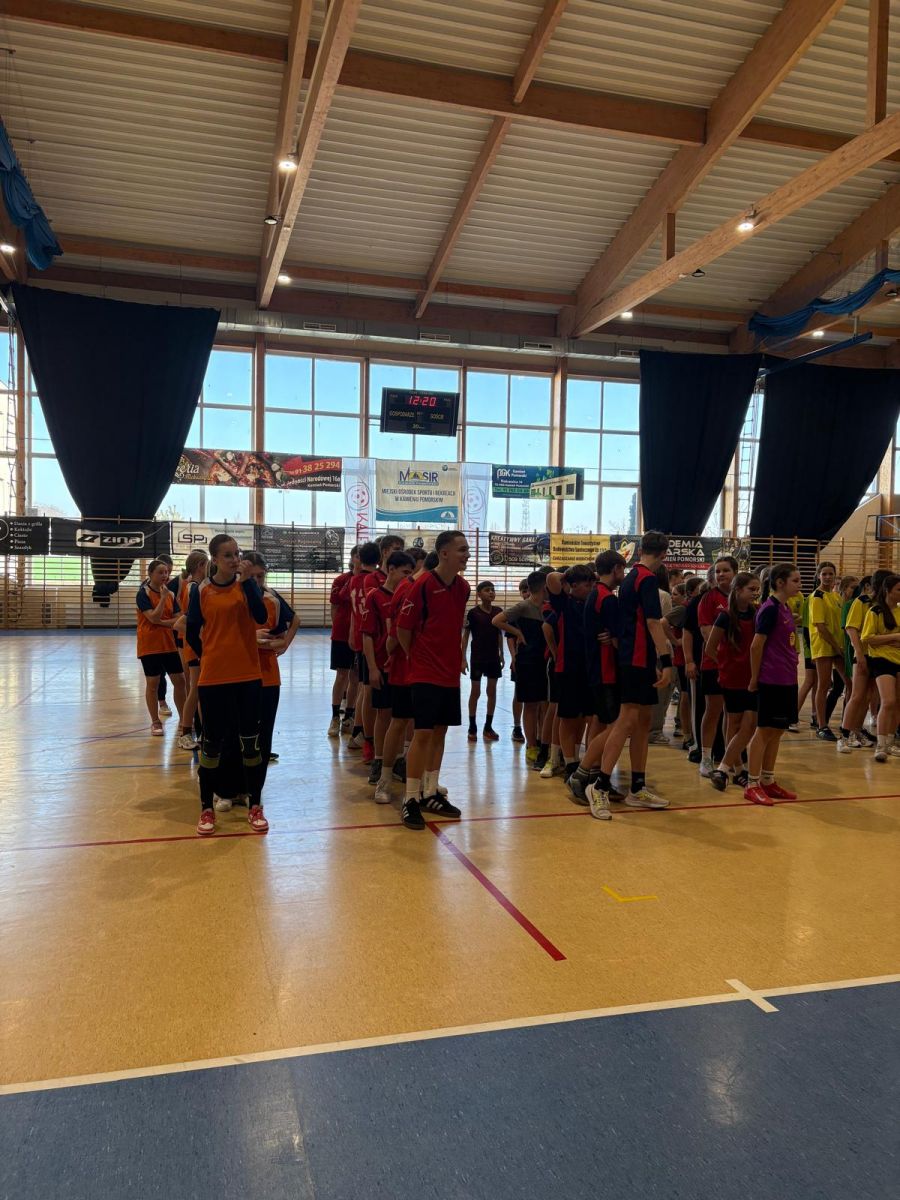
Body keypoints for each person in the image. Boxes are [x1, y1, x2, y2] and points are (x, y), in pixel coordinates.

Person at [585, 531, 673, 819]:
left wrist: (650, 662)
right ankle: (599, 786)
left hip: (638, 659)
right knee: (626, 722)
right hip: (634, 659)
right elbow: (653, 623)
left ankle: (637, 787)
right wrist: (667, 661)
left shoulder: (632, 576)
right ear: (664, 554)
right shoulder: (646, 578)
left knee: (643, 722)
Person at [186, 534, 269, 836]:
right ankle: (206, 808)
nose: (235, 560)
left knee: (251, 744)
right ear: (215, 559)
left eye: (237, 554)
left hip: (248, 676)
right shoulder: (202, 590)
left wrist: (247, 583)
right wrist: (211, 654)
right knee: (211, 745)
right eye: (228, 555)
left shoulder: (248, 586)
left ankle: (255, 805)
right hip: (214, 678)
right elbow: (192, 631)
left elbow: (261, 616)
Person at [396, 531, 470, 830]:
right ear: (444, 553)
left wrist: (458, 656)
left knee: (440, 732)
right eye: (461, 549)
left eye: (467, 549)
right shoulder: (423, 584)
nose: (467, 554)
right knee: (423, 733)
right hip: (425, 672)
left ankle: (430, 791)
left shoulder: (463, 587)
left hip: (449, 672)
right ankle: (411, 798)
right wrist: (416, 657)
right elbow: (403, 628)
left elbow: (453, 627)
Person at [565, 549, 627, 806]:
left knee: (601, 724)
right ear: (616, 569)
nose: (624, 574)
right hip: (606, 671)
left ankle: (594, 776)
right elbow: (617, 639)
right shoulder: (607, 598)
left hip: (595, 670)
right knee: (615, 727)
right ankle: (581, 775)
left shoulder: (594, 595)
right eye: (623, 569)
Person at [373, 552, 431, 805]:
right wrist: (392, 656)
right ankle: (384, 779)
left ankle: (422, 780)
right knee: (398, 722)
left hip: (426, 670)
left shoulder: (436, 588)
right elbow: (395, 634)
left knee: (424, 728)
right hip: (403, 669)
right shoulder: (407, 589)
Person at [241, 550, 300, 789]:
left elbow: (294, 621)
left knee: (264, 732)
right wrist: (250, 638)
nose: (257, 581)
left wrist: (284, 643)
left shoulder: (271, 597)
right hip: (238, 673)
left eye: (261, 576)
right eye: (252, 576)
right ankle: (235, 785)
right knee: (240, 732)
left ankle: (256, 788)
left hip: (267, 675)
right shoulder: (233, 596)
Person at [744, 562, 801, 806]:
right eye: (795, 580)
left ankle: (767, 780)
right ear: (780, 582)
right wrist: (754, 678)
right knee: (764, 730)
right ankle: (752, 784)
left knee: (777, 730)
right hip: (771, 679)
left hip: (788, 678)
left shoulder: (785, 608)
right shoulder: (769, 609)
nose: (800, 584)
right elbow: (756, 646)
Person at [361, 550, 416, 788]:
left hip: (404, 667)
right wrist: (372, 668)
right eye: (405, 572)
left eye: (411, 573)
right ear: (390, 569)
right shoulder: (375, 596)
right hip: (382, 664)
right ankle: (379, 759)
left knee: (403, 716)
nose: (407, 577)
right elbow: (367, 635)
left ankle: (400, 760)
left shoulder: (410, 595)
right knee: (384, 714)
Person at [703, 572, 761, 791]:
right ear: (738, 590)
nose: (755, 593)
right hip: (732, 679)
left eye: (757, 589)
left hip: (752, 677)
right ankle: (737, 770)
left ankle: (727, 768)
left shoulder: (756, 613)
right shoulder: (725, 616)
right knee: (733, 723)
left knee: (749, 724)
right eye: (751, 589)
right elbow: (710, 648)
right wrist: (725, 665)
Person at [544, 564, 595, 779]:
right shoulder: (565, 602)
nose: (591, 587)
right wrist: (572, 575)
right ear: (573, 585)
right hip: (568, 668)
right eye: (586, 584)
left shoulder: (594, 602)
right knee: (567, 717)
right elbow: (551, 577)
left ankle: (586, 762)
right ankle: (570, 763)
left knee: (587, 717)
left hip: (590, 667)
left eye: (592, 584)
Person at [492, 571, 549, 762]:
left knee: (544, 704)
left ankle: (542, 742)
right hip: (527, 660)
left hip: (544, 660)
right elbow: (497, 620)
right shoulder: (524, 606)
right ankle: (531, 745)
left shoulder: (549, 607)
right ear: (544, 588)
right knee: (530, 705)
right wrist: (517, 632)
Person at [696, 555, 738, 777]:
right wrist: (723, 656)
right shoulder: (709, 598)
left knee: (733, 713)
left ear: (735, 573)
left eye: (725, 570)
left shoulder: (741, 599)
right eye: (718, 571)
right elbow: (706, 632)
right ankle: (705, 757)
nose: (721, 574)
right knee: (713, 710)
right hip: (713, 663)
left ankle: (728, 758)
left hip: (737, 667)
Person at [136, 558, 186, 737]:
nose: (165, 575)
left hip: (169, 644)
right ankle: (155, 722)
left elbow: (179, 619)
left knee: (180, 681)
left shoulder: (171, 594)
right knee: (153, 684)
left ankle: (184, 720)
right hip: (150, 645)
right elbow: (152, 617)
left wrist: (163, 622)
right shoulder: (143, 594)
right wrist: (163, 598)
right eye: (160, 572)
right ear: (150, 574)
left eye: (166, 572)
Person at [840, 569, 887, 751]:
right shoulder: (862, 601)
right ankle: (844, 736)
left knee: (868, 696)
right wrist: (859, 654)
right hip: (863, 654)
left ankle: (857, 730)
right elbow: (851, 628)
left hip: (879, 656)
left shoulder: (884, 604)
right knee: (857, 695)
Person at [860, 573, 900, 762]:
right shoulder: (875, 611)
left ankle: (891, 742)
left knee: (898, 703)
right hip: (882, 660)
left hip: (898, 659)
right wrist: (894, 637)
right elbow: (867, 638)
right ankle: (881, 745)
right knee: (888, 701)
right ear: (887, 590)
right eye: (898, 589)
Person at [347, 541, 381, 754]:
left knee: (363, 686)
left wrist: (352, 631)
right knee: (367, 688)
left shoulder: (354, 580)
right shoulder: (374, 580)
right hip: (371, 637)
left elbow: (353, 610)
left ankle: (358, 732)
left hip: (360, 635)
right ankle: (362, 734)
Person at [173, 549, 208, 750]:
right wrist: (202, 636)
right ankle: (185, 732)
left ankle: (203, 732)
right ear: (201, 566)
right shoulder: (194, 588)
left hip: (195, 645)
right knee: (195, 690)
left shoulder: (191, 586)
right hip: (195, 646)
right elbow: (183, 623)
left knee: (200, 690)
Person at [809, 561, 847, 740]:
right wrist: (836, 646)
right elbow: (820, 626)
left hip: (838, 646)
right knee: (823, 685)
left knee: (850, 683)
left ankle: (848, 724)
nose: (828, 577)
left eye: (831, 573)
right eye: (824, 574)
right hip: (824, 645)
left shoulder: (836, 597)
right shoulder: (817, 597)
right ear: (818, 576)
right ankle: (821, 725)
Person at [462, 581, 503, 743]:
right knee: (476, 692)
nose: (491, 592)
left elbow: (499, 634)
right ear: (479, 594)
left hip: (493, 658)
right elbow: (466, 636)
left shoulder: (498, 612)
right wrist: (463, 658)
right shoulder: (473, 613)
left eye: (493, 590)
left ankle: (488, 727)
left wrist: (501, 653)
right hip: (478, 657)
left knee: (492, 691)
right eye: (487, 590)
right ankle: (472, 727)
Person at [327, 546, 359, 737]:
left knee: (355, 677)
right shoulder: (341, 580)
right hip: (341, 636)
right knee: (342, 675)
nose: (359, 560)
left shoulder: (369, 580)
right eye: (357, 556)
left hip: (361, 636)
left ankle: (349, 716)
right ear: (352, 558)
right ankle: (334, 717)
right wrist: (337, 628)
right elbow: (335, 604)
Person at [508, 577, 530, 743]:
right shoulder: (517, 611)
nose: (526, 593)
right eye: (523, 591)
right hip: (521, 658)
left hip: (535, 658)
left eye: (528, 590)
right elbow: (510, 637)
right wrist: (514, 657)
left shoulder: (540, 609)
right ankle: (517, 726)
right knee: (519, 693)